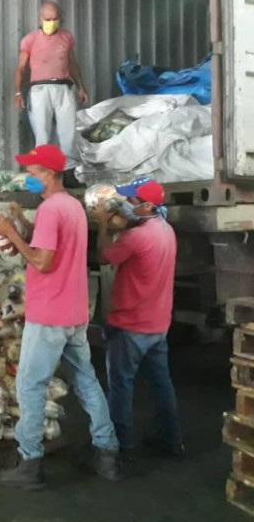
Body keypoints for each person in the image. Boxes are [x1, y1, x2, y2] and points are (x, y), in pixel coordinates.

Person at [0, 144, 122, 490]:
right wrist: (20, 221)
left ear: (49, 174)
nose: (29, 178)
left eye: (33, 173)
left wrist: (10, 233)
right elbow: (54, 250)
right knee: (86, 381)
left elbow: (43, 262)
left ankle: (29, 463)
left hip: (49, 314)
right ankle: (107, 452)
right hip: (76, 311)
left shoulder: (50, 211)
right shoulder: (73, 207)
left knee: (30, 386)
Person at [94, 177, 184, 459]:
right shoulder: (166, 230)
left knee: (120, 385)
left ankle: (122, 445)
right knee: (161, 383)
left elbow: (103, 256)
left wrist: (103, 224)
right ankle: (171, 440)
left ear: (146, 205)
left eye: (131, 200)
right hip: (158, 324)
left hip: (131, 324)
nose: (126, 203)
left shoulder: (137, 237)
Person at [14, 1, 89, 186]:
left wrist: (81, 86)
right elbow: (21, 68)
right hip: (39, 89)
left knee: (68, 133)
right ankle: (45, 177)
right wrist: (18, 92)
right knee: (43, 134)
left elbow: (72, 63)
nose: (51, 22)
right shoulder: (30, 40)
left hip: (64, 87)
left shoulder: (66, 37)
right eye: (48, 19)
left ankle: (69, 175)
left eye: (55, 19)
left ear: (60, 19)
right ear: (40, 18)